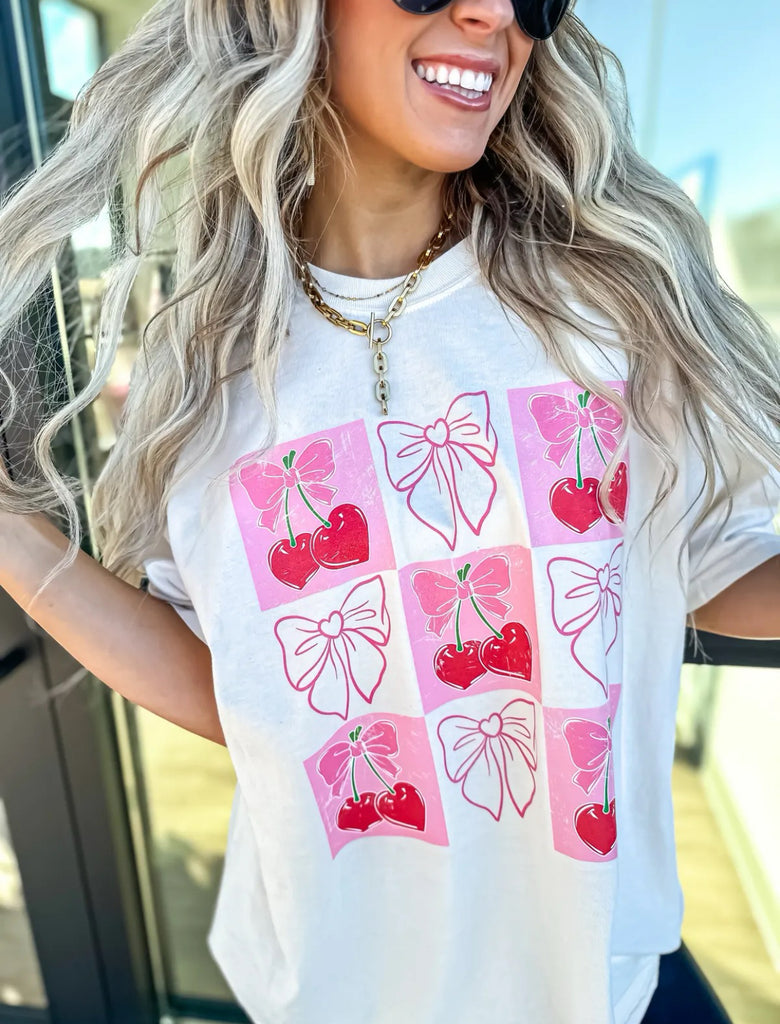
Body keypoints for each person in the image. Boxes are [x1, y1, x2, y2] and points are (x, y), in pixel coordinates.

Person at [0, 1, 778, 1021]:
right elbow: (242, 678)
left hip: (595, 983)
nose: (493, 13)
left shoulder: (610, 305)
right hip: (330, 987)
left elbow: (715, 556)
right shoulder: (208, 356)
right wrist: (12, 539)